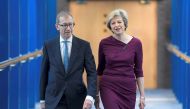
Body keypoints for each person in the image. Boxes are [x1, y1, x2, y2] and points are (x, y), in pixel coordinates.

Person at [40, 11, 97, 109]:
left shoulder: (84, 46)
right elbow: (44, 73)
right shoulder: (49, 45)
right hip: (54, 98)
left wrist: (90, 96)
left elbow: (92, 73)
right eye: (64, 25)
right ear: (57, 26)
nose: (68, 28)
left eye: (71, 24)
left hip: (77, 97)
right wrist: (42, 99)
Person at [95, 9, 145, 109]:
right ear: (110, 27)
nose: (116, 25)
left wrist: (142, 96)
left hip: (128, 88)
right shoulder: (104, 43)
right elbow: (100, 69)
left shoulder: (136, 43)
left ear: (125, 23)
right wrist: (96, 94)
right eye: (113, 23)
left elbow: (139, 71)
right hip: (108, 86)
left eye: (119, 22)